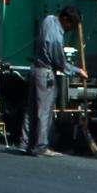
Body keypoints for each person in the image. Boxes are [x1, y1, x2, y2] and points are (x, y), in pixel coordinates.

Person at [24, 10, 68, 155]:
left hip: (36, 69)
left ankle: (27, 143)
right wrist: (75, 70)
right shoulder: (56, 38)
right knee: (44, 111)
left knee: (32, 110)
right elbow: (59, 61)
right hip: (46, 73)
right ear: (65, 19)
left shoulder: (48, 19)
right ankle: (41, 145)